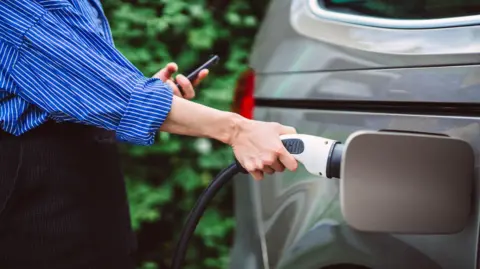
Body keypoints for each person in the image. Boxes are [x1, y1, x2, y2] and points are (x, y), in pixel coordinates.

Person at [0, 1, 298, 268]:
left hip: (80, 172)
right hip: (36, 186)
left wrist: (154, 97)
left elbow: (87, 86)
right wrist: (238, 130)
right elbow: (117, 94)